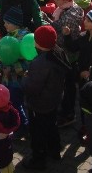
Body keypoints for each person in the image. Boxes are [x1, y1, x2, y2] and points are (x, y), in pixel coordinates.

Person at [21, 25, 70, 170]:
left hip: (39, 104)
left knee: (37, 132)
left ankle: (38, 159)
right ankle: (55, 150)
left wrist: (25, 78)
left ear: (38, 43)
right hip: (54, 99)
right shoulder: (59, 52)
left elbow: (32, 87)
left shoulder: (40, 63)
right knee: (51, 125)